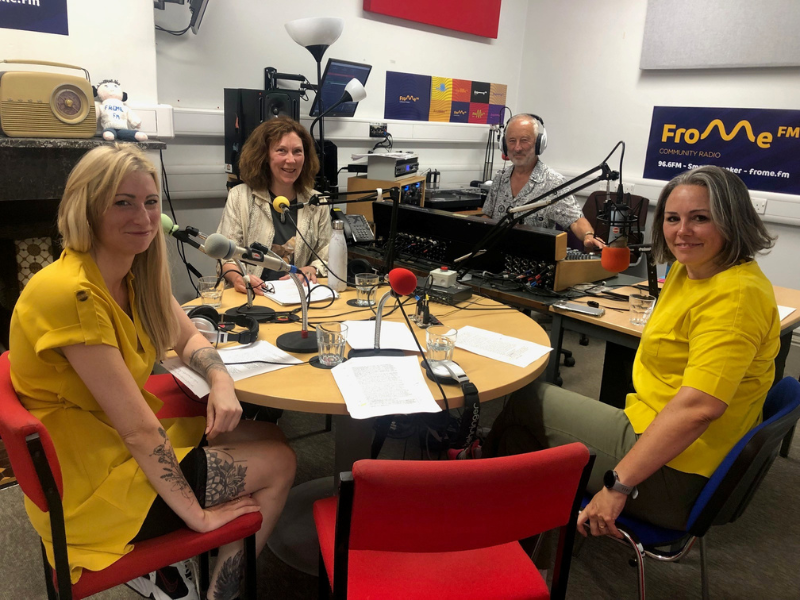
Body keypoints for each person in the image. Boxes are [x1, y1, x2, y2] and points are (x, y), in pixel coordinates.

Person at [9, 144, 296, 600]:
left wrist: (220, 381)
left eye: (149, 202)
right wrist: (197, 518)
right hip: (93, 490)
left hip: (110, 452)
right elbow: (141, 433)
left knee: (272, 438)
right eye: (122, 202)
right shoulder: (72, 294)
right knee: (281, 462)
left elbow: (188, 339)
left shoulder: (130, 275)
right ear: (88, 208)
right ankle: (220, 595)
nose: (142, 217)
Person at [483, 165, 779, 539]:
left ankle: (469, 503)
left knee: (529, 399)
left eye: (700, 218)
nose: (682, 231)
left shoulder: (736, 298)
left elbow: (699, 409)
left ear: (732, 220)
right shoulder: (691, 270)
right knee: (519, 442)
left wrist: (617, 485)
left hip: (676, 472)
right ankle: (511, 542)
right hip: (654, 429)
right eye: (672, 218)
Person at [217, 117, 331, 295]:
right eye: (281, 151)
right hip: (253, 296)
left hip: (298, 297)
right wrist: (239, 278)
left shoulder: (316, 201)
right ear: (264, 156)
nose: (291, 160)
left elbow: (327, 254)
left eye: (297, 151)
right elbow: (225, 256)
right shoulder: (240, 197)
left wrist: (313, 269)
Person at [482, 114, 605, 251]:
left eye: (524, 140)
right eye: (511, 141)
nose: (517, 148)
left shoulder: (552, 182)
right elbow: (487, 216)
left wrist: (588, 236)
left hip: (533, 262)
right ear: (504, 145)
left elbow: (575, 220)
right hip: (496, 257)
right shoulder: (500, 178)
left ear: (539, 144)